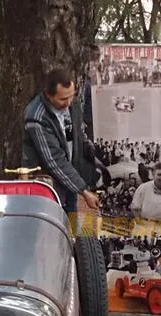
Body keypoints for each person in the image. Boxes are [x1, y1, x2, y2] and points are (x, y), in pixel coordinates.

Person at [22, 67, 100, 214]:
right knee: (55, 221)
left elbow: (78, 134)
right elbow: (54, 160)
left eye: (72, 96)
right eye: (63, 99)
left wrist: (93, 157)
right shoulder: (37, 118)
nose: (69, 102)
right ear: (48, 95)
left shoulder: (73, 103)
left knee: (71, 220)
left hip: (70, 176)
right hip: (48, 186)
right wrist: (83, 191)